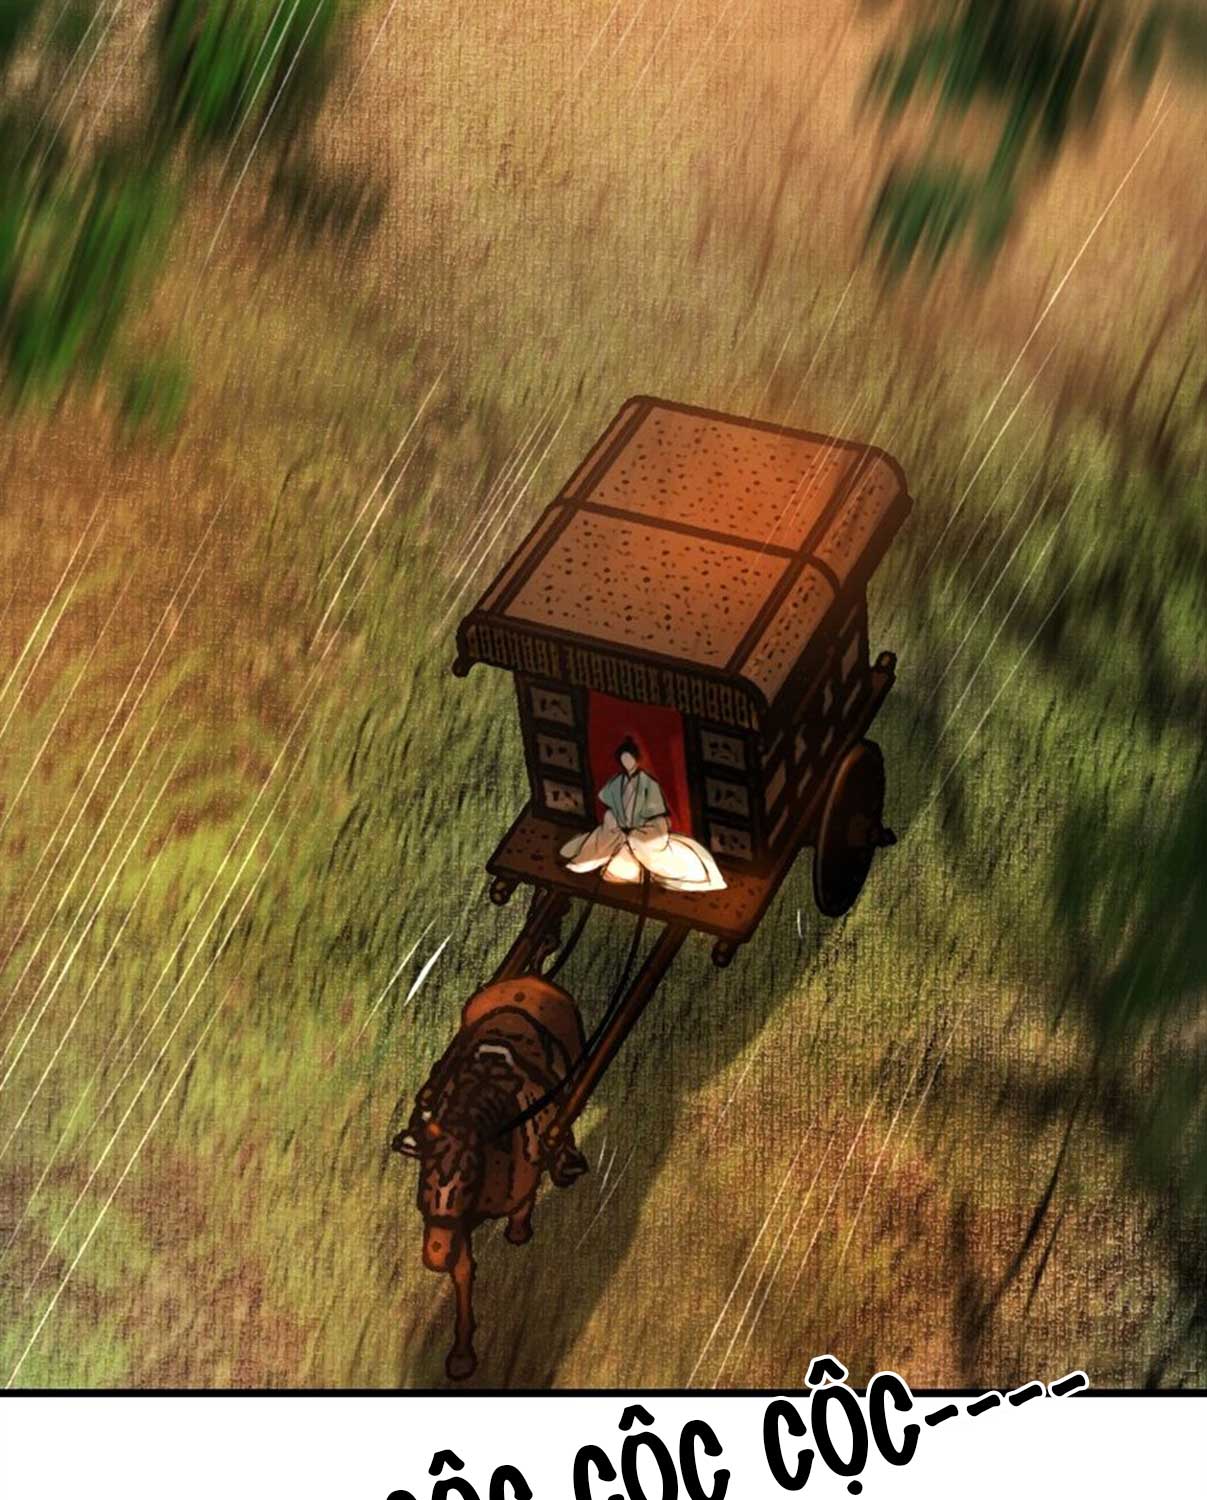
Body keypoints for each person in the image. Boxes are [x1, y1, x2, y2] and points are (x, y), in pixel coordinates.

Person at [560, 736, 727, 893]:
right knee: (610, 829)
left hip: (646, 827)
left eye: (629, 759)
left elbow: (656, 810)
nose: (627, 763)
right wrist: (619, 818)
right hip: (621, 827)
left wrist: (637, 824)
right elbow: (607, 797)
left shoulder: (648, 783)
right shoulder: (618, 781)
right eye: (624, 760)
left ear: (636, 760)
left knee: (642, 844)